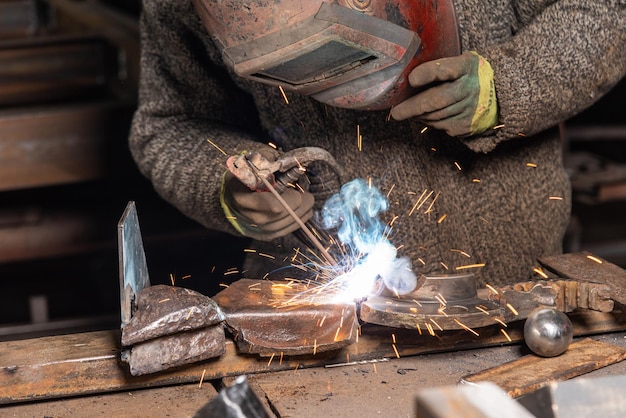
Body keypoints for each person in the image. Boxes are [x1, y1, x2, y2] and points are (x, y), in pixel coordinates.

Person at [129, 0, 626, 289]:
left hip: (511, 286)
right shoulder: (179, 6)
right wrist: (229, 186)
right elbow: (170, 124)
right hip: (323, 303)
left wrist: (513, 83)